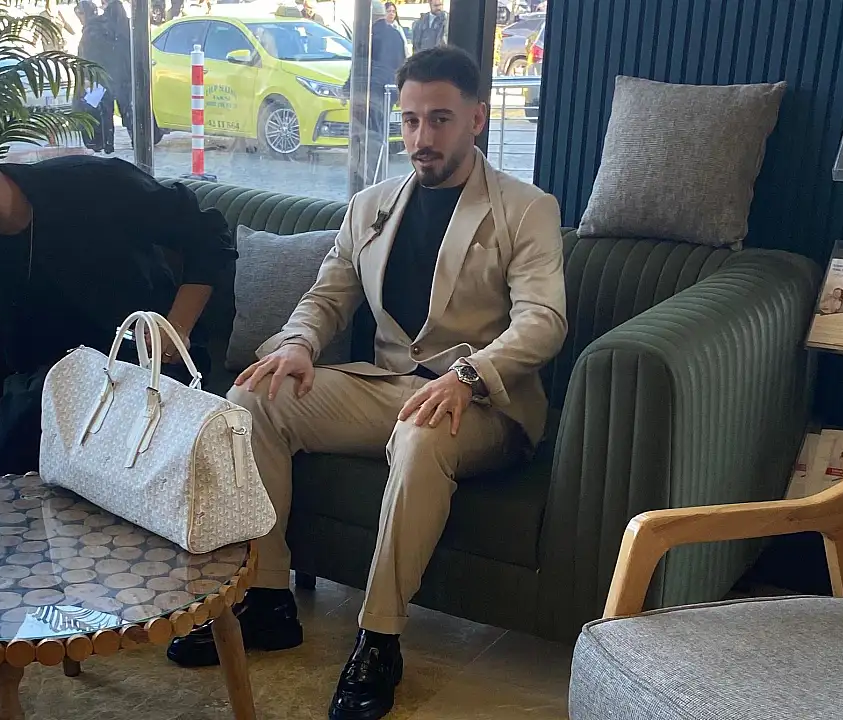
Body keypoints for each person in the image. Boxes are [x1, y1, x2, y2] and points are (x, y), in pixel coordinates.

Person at [165, 47, 567, 720]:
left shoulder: (526, 208)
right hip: (388, 385)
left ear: (477, 119)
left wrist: (469, 374)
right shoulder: (371, 205)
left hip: (482, 404)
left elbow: (543, 320)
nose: (422, 137)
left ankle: (379, 640)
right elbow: (326, 296)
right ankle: (266, 599)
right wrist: (298, 344)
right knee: (253, 398)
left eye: (440, 120)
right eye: (410, 121)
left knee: (420, 436)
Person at [0, 123, 236, 480]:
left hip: (146, 373)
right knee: (13, 445)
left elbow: (208, 235)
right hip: (45, 399)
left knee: (33, 421)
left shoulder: (93, 185)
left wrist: (177, 326)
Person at [344, 1, 408, 187]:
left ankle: (369, 177)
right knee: (379, 132)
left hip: (370, 90)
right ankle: (377, 175)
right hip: (389, 90)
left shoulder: (367, 35)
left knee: (367, 134)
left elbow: (359, 65)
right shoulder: (396, 35)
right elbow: (402, 63)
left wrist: (347, 88)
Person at [76, 0, 116, 152]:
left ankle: (99, 143)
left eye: (80, 14)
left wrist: (88, 78)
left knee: (97, 112)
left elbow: (90, 57)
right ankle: (106, 144)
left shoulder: (92, 31)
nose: (79, 18)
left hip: (95, 80)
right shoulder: (98, 27)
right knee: (105, 112)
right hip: (102, 78)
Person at [101, 0, 135, 145]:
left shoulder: (103, 27)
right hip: (125, 76)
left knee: (106, 113)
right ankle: (135, 140)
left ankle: (108, 144)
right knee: (127, 110)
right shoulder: (129, 27)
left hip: (107, 76)